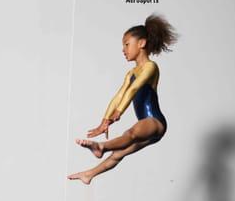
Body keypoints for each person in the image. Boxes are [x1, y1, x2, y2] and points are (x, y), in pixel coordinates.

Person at [68, 13, 179, 184]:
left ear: (141, 43)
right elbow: (118, 96)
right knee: (119, 153)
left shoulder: (150, 67)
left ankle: (101, 147)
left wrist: (119, 112)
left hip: (154, 121)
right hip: (148, 127)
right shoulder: (130, 73)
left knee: (131, 133)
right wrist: (104, 121)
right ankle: (89, 174)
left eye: (127, 44)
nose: (123, 49)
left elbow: (135, 89)